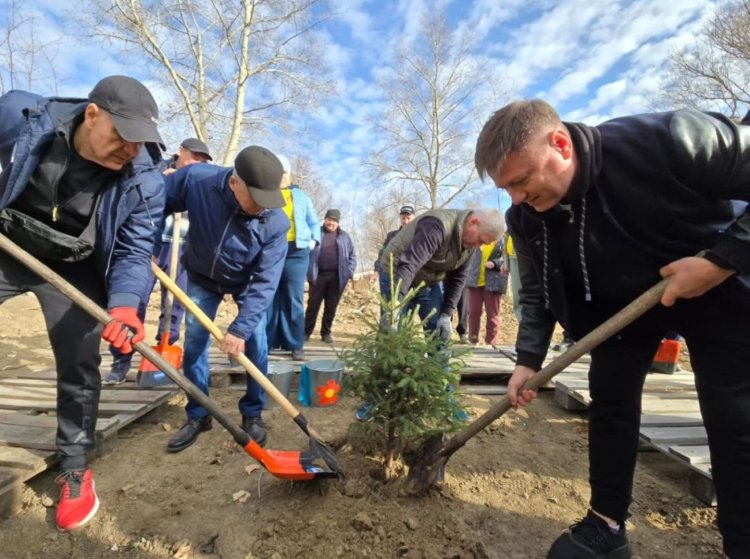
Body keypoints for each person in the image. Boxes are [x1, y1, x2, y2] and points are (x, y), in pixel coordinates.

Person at [474, 99, 750, 559]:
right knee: (611, 404)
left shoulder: (668, 141)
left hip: (718, 288)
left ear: (560, 144)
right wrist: (527, 360)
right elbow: (539, 292)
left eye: (521, 181)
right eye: (507, 189)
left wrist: (721, 262)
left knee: (733, 419)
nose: (516, 199)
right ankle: (606, 525)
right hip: (622, 311)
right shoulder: (525, 218)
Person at [0, 75, 165, 531]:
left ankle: (75, 466)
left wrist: (127, 305)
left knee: (79, 360)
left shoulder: (145, 179)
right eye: (123, 137)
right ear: (92, 115)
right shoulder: (18, 117)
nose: (131, 151)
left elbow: (134, 250)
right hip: (8, 241)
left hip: (74, 262)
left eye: (141, 142)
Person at [163, 146, 289, 453]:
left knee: (256, 342)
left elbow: (265, 282)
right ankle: (198, 414)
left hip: (248, 283)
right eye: (256, 199)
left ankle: (252, 413)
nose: (263, 207)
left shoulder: (276, 222)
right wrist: (147, 244)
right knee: (194, 343)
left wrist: (240, 329)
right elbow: (154, 203)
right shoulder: (197, 180)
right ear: (235, 183)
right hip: (202, 278)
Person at [105, 137, 212, 384]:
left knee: (174, 305)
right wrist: (166, 180)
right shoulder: (156, 170)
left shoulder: (201, 181)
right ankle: (121, 360)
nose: (198, 163)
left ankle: (164, 349)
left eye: (203, 160)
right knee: (136, 301)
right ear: (181, 151)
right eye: (195, 157)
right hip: (148, 247)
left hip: (184, 249)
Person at [378, 208, 505, 336]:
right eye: (481, 240)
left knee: (438, 330)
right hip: (397, 272)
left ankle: (440, 355)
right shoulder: (436, 226)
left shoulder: (470, 245)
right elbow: (411, 263)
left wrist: (446, 314)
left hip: (428, 280)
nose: (478, 246)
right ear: (474, 222)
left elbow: (458, 279)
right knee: (395, 328)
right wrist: (395, 304)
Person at [265, 155, 320, 361]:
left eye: (284, 172)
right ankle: (269, 341)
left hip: (297, 251)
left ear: (289, 174)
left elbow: (314, 222)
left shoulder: (301, 196)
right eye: (277, 173)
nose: (281, 177)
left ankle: (295, 343)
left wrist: (313, 240)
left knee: (293, 297)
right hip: (272, 249)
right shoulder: (266, 195)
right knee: (270, 295)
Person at [304, 208, 356, 343]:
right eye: (329, 219)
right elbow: (306, 252)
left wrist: (348, 272)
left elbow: (352, 256)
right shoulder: (315, 233)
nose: (331, 222)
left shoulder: (345, 237)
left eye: (334, 220)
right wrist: (307, 271)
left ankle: (326, 333)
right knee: (312, 306)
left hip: (337, 278)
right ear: (325, 220)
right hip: (317, 276)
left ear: (338, 222)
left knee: (331, 307)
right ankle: (306, 332)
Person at [465, 239, 507, 345]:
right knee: (473, 312)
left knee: (493, 314)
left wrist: (495, 263)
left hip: (494, 282)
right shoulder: (477, 238)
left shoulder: (503, 240)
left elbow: (508, 258)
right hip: (474, 282)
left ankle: (491, 342)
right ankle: (472, 339)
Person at [375, 204, 417, 299]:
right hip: (392, 277)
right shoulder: (391, 236)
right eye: (403, 218)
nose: (405, 221)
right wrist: (376, 270)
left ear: (414, 218)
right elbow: (382, 253)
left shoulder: (420, 235)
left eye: (408, 218)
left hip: (415, 278)